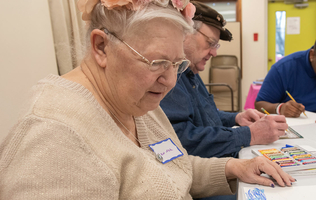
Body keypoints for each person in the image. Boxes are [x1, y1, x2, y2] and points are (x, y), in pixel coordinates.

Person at [0, 0, 295, 199]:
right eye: (156, 62)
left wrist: (233, 168)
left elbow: (172, 165)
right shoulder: (53, 137)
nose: (169, 82)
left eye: (177, 65)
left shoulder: (135, 101)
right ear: (101, 46)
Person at [160, 1, 288, 160]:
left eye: (216, 45)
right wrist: (250, 134)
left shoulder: (190, 71)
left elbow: (205, 117)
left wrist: (236, 118)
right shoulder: (168, 76)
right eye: (210, 43)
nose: (214, 53)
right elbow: (183, 140)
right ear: (184, 33)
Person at [255, 30, 316, 125]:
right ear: (312, 55)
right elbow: (260, 104)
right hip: (294, 127)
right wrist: (280, 108)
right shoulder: (284, 68)